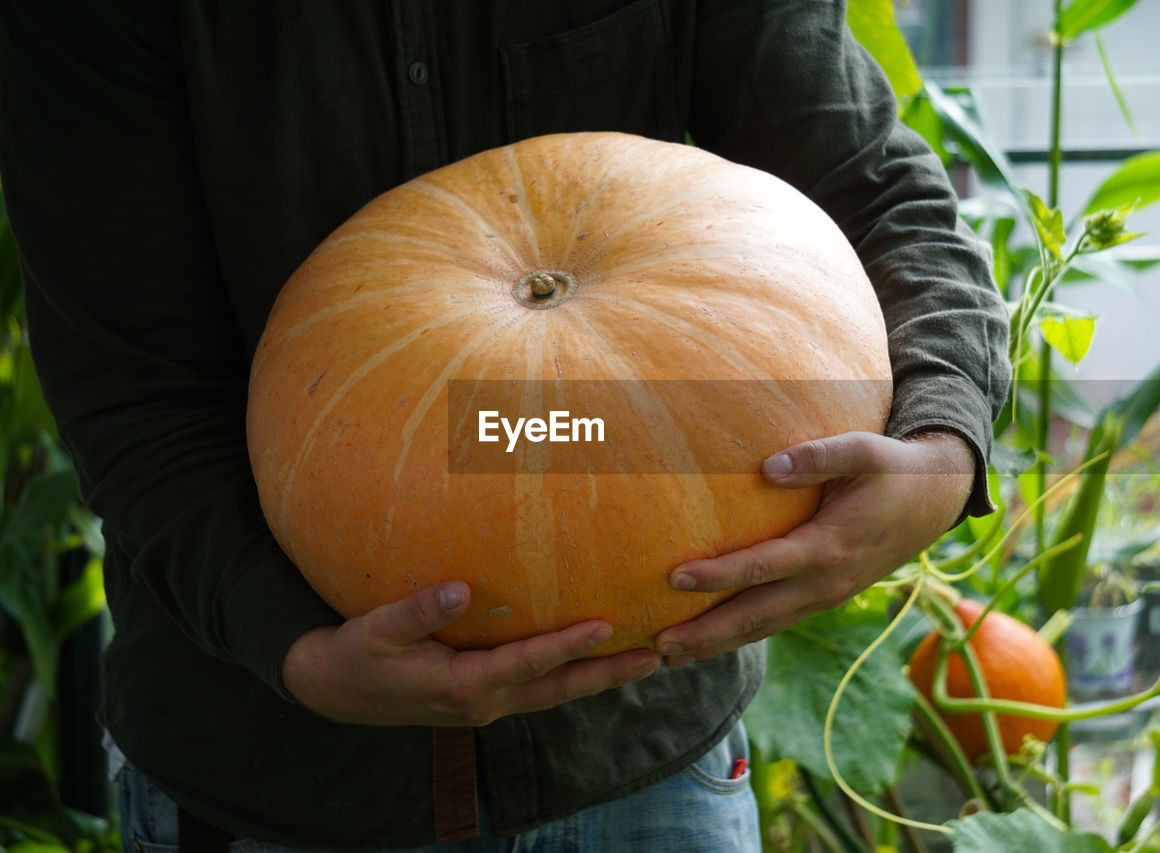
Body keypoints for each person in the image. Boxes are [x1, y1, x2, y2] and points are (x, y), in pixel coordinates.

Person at [0, 2, 1010, 851]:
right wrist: (296, 645)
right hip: (273, 776)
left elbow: (880, 195)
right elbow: (134, 391)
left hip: (645, 760)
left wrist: (938, 442)